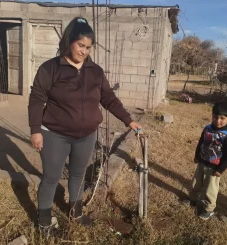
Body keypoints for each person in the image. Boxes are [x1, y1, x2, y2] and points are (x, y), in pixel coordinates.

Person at [28, 17, 142, 230]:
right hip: (54, 134)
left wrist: (129, 120)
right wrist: (36, 130)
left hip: (86, 136)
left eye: (88, 48)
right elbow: (36, 99)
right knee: (51, 177)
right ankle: (44, 222)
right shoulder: (50, 68)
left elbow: (108, 99)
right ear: (70, 41)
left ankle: (76, 213)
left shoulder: (95, 72)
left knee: (78, 174)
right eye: (81, 45)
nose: (84, 51)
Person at [184, 102, 227, 220]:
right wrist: (197, 155)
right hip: (202, 163)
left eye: (222, 118)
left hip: (214, 168)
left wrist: (220, 169)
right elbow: (201, 142)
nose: (218, 121)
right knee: (196, 182)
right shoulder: (207, 129)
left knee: (210, 189)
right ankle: (193, 199)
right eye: (215, 117)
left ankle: (208, 209)